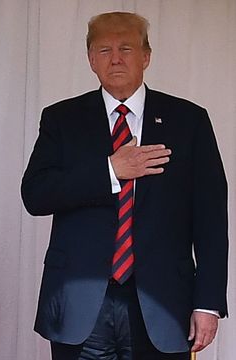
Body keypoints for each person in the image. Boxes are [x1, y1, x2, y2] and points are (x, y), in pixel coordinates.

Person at [21, 11, 228, 360]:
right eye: (104, 50)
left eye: (126, 48)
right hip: (81, 304)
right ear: (90, 60)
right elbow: (36, 195)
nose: (115, 58)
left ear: (146, 57)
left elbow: (210, 219)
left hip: (163, 303)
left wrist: (207, 303)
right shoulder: (61, 119)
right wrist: (110, 170)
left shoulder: (188, 120)